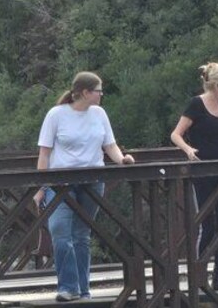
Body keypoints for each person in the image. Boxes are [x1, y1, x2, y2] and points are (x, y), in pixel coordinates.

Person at [34, 72, 135, 302]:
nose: (101, 94)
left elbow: (110, 145)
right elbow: (44, 153)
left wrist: (122, 160)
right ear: (85, 92)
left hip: (92, 181)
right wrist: (41, 187)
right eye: (98, 90)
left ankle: (82, 288)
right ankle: (68, 286)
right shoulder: (56, 115)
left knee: (81, 234)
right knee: (60, 231)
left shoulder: (99, 114)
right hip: (60, 182)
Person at [170, 62, 218, 291]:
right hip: (202, 169)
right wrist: (188, 149)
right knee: (208, 223)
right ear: (217, 85)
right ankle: (200, 275)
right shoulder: (196, 104)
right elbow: (176, 134)